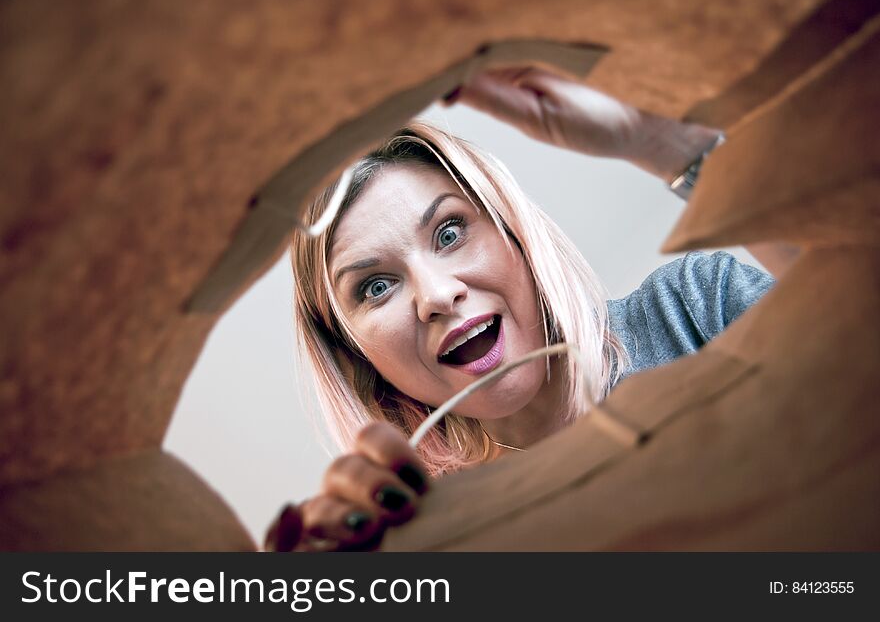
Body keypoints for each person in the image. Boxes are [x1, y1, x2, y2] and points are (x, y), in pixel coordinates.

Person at [264, 67, 796, 552]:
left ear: (516, 232)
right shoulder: (439, 538)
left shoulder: (693, 306)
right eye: (377, 287)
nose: (436, 296)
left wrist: (672, 144)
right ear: (358, 360)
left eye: (450, 232)